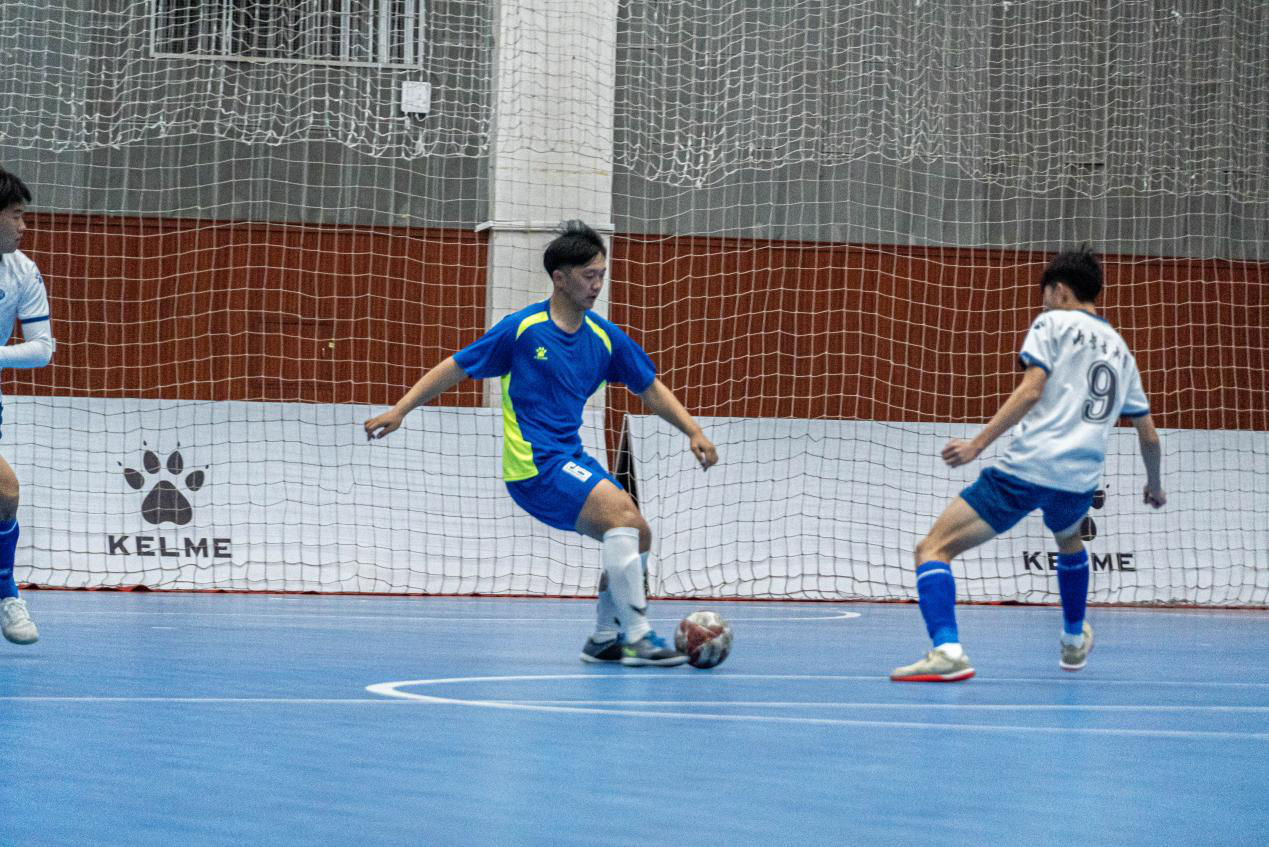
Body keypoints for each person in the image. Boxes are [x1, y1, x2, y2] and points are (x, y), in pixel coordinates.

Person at [365, 220, 718, 666]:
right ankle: (637, 637)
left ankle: (604, 638)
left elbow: (649, 387)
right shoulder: (523, 330)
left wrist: (693, 430)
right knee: (623, 516)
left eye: (602, 275)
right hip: (533, 465)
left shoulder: (605, 338)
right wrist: (401, 409)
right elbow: (455, 366)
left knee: (637, 533)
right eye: (588, 276)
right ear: (560, 278)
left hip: (568, 458)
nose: (597, 285)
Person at [891, 246, 1165, 682]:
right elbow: (1148, 434)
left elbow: (1031, 390)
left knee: (932, 549)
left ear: (1059, 290)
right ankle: (1073, 640)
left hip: (1028, 469)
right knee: (1069, 538)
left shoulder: (1051, 323)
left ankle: (947, 650)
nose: (1044, 304)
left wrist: (977, 444)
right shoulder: (1121, 352)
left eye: (1045, 296)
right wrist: (1155, 485)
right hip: (1079, 481)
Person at [0, 167, 56, 646]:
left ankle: (6, 593)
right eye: (16, 215)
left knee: (5, 492)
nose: (24, 225)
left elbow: (42, 349)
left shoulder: (22, 271)